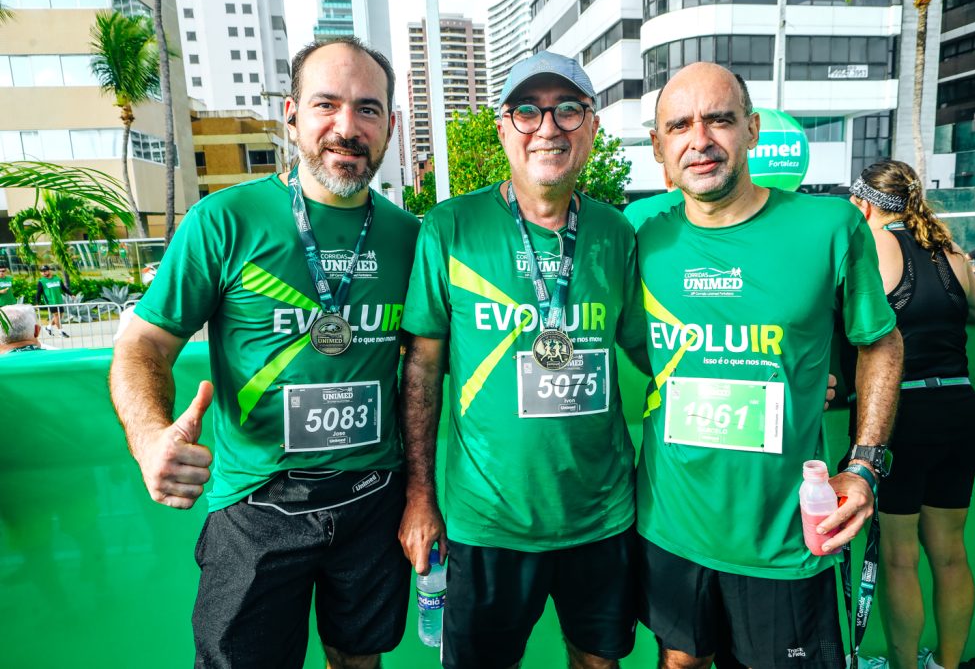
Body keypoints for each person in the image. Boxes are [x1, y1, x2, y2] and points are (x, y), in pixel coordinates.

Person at [109, 36, 420, 669]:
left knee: (359, 660)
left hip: (373, 498)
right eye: (326, 104)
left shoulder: (410, 237)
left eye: (367, 108)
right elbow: (143, 343)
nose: (347, 127)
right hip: (257, 505)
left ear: (390, 125)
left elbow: (428, 365)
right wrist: (148, 439)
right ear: (291, 115)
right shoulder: (224, 220)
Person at [634, 62, 904, 669]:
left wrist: (864, 463)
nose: (700, 140)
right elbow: (628, 339)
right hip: (670, 524)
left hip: (786, 535)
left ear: (752, 129)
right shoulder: (638, 234)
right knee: (679, 661)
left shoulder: (829, 225)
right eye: (679, 126)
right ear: (658, 147)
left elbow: (880, 343)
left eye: (719, 120)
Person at [399, 51, 646, 669]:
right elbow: (422, 367)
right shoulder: (451, 226)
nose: (548, 128)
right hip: (487, 520)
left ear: (591, 126)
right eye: (528, 111)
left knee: (598, 660)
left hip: (602, 514)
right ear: (504, 127)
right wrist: (420, 494)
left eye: (568, 111)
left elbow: (655, 347)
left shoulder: (615, 233)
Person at [843, 160, 975, 669]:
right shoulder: (949, 251)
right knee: (950, 554)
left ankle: (905, 666)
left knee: (899, 559)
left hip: (904, 419)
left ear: (865, 203)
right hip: (962, 411)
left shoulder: (868, 246)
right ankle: (947, 664)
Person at [34, 265, 70, 337]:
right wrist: (37, 303)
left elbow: (63, 288)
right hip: (51, 302)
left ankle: (48, 327)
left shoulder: (57, 279)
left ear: (49, 271)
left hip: (59, 301)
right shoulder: (41, 281)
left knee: (59, 316)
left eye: (45, 271)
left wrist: (71, 294)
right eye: (42, 271)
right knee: (56, 315)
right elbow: (38, 293)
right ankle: (61, 332)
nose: (43, 273)